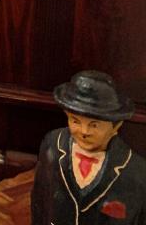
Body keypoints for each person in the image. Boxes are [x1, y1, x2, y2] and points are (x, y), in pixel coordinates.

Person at [32, 71, 146, 224]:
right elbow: (40, 200)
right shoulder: (52, 144)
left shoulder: (136, 171)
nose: (84, 131)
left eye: (94, 125)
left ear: (116, 126)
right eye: (75, 121)